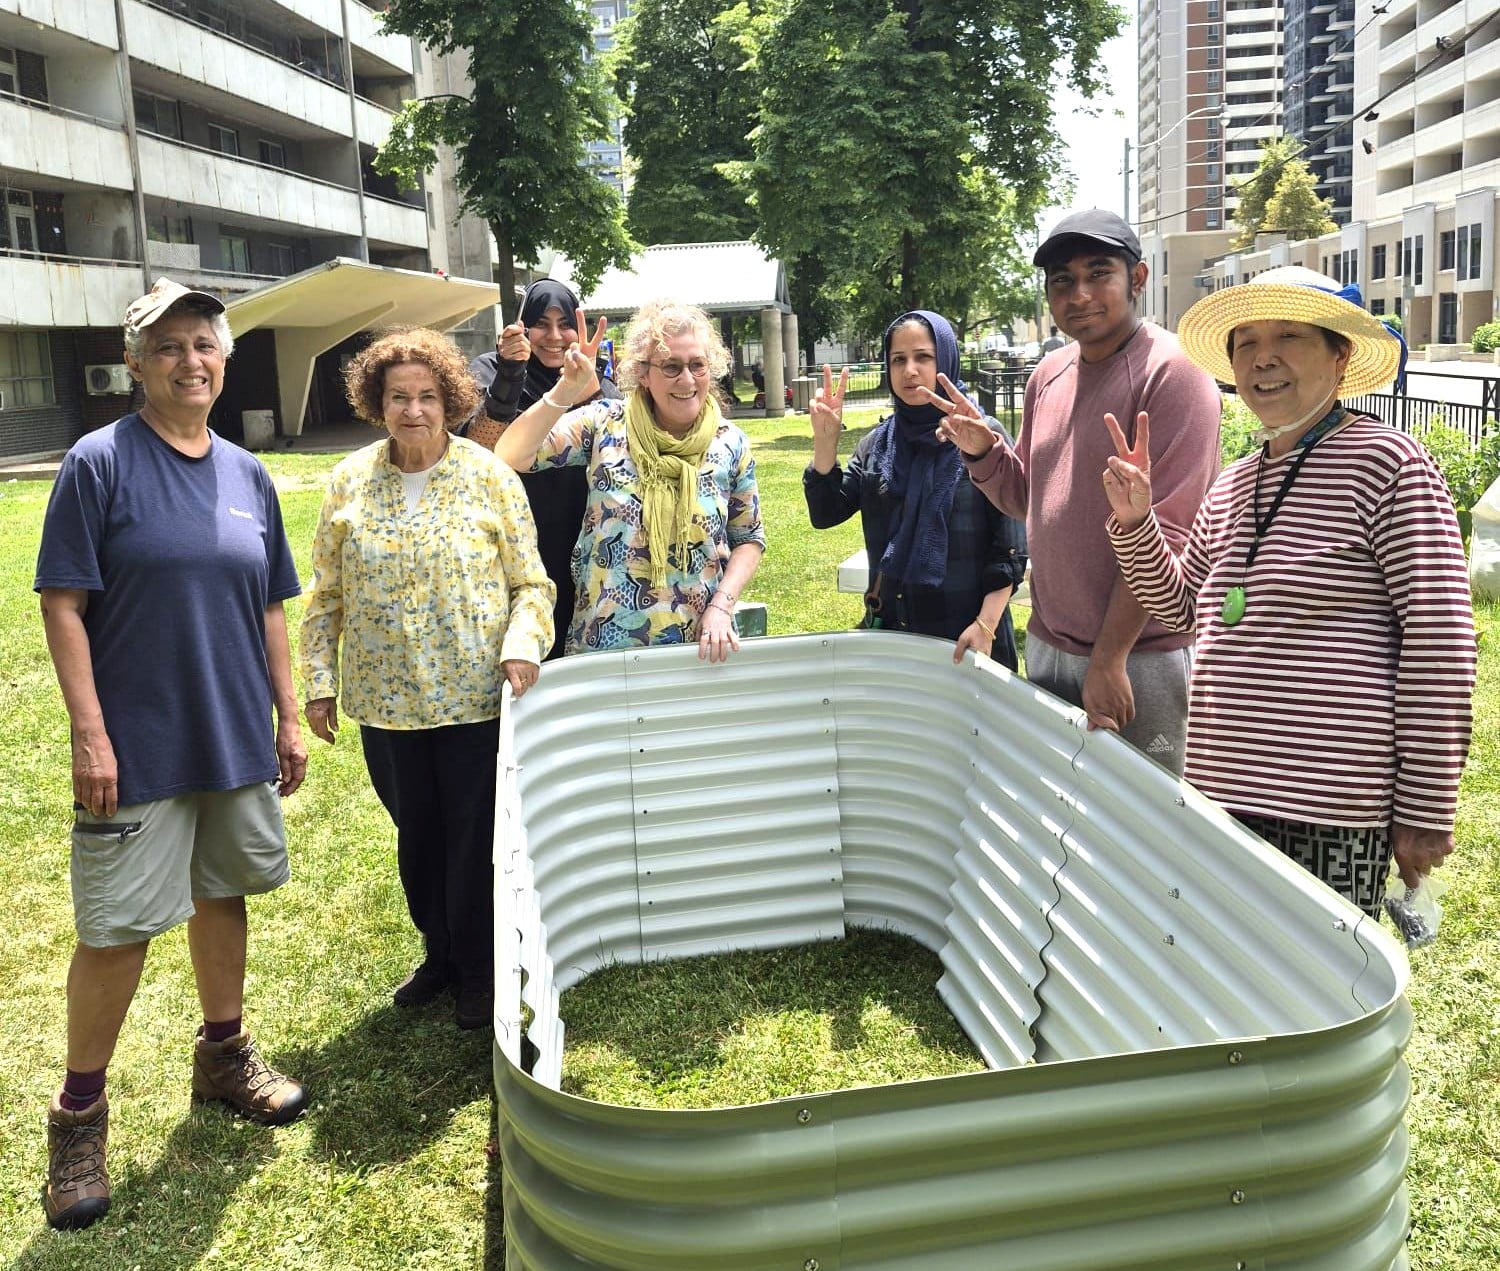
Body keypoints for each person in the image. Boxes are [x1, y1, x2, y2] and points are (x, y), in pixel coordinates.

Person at [34, 278, 308, 1231]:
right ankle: (78, 1119)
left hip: (229, 729)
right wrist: (90, 731)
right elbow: (63, 601)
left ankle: (224, 1054)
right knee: (117, 928)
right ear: (137, 362)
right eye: (171, 347)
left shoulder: (247, 473)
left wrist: (286, 713)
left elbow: (271, 603)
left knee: (222, 892)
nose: (191, 362)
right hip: (137, 740)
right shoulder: (98, 463)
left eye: (206, 345)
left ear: (223, 361)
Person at [1099, 266, 1475, 916]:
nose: (1263, 357)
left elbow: (1440, 642)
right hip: (1219, 794)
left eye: (1289, 337)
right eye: (1247, 342)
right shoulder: (1236, 481)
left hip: (1326, 810)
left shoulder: (1390, 466)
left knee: (1317, 997)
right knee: (1224, 980)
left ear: (1340, 354)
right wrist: (1138, 521)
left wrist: (1423, 804)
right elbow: (1184, 607)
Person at [299, 328, 554, 1029]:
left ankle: (480, 967)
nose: (414, 410)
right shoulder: (349, 480)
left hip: (472, 698)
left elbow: (532, 584)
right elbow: (326, 592)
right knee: (417, 834)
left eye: (427, 396)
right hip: (386, 702)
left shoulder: (488, 475)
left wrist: (523, 643)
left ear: (451, 400)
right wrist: (319, 681)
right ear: (376, 403)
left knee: (472, 838)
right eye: (398, 397)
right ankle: (438, 954)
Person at [928, 209, 1222, 773]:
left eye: (1098, 273)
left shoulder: (1175, 374)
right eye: (1062, 280)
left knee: (1141, 827)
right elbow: (1028, 500)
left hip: (1138, 655)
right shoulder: (1050, 373)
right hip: (1050, 644)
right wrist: (982, 451)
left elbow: (1173, 538)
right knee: (1063, 817)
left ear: (1136, 279)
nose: (1079, 293)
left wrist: (1109, 659)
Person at [496, 299, 765, 659]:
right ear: (643, 373)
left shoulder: (730, 442)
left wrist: (722, 606)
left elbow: (748, 538)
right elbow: (511, 454)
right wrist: (565, 391)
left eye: (697, 365)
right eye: (671, 367)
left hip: (698, 646)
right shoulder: (604, 423)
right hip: (602, 645)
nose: (686, 379)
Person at [803, 310, 1027, 668]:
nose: (910, 370)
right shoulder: (878, 443)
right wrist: (825, 445)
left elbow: (1011, 547)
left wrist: (985, 625)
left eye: (923, 357)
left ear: (947, 361)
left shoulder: (982, 435)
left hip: (970, 640)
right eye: (898, 360)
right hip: (894, 637)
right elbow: (827, 512)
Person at [464, 279, 619, 660]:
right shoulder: (490, 370)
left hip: (580, 535)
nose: (554, 336)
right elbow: (476, 450)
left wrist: (589, 390)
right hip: (513, 535)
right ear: (522, 325)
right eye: (541, 323)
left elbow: (620, 452)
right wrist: (510, 374)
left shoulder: (596, 376)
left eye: (564, 323)